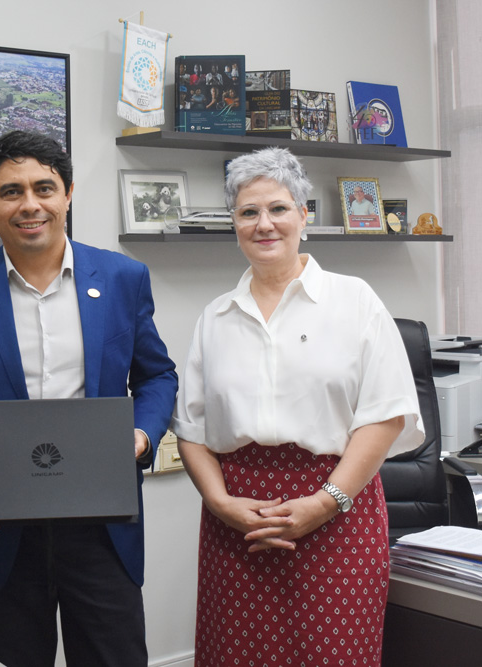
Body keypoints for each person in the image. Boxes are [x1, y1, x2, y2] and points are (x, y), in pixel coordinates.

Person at [0, 130, 178, 667]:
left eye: (44, 188)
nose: (29, 204)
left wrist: (142, 435)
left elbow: (157, 377)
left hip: (103, 527)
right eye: (11, 192)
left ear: (67, 194)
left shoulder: (123, 278)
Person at [171, 147, 424, 666]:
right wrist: (220, 503)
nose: (264, 224)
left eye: (278, 208)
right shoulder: (216, 317)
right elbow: (191, 430)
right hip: (237, 522)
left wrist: (325, 502)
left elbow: (386, 414)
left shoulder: (355, 301)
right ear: (234, 224)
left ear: (304, 215)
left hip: (337, 511)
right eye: (248, 212)